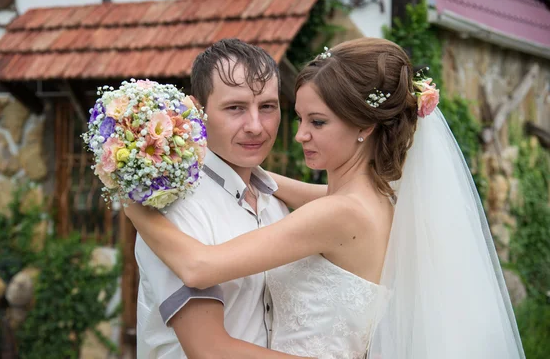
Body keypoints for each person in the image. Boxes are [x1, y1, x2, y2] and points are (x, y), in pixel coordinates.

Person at [126, 38, 525, 358]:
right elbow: (297, 190)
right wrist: (244, 175)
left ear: (365, 126)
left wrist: (132, 201)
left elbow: (198, 267)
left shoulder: (338, 214)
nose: (298, 135)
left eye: (317, 122)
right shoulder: (383, 198)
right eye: (300, 118)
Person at [133, 38, 310, 359]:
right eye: (235, 108)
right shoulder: (175, 208)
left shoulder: (276, 202)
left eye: (267, 107)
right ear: (196, 111)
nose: (256, 126)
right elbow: (209, 351)